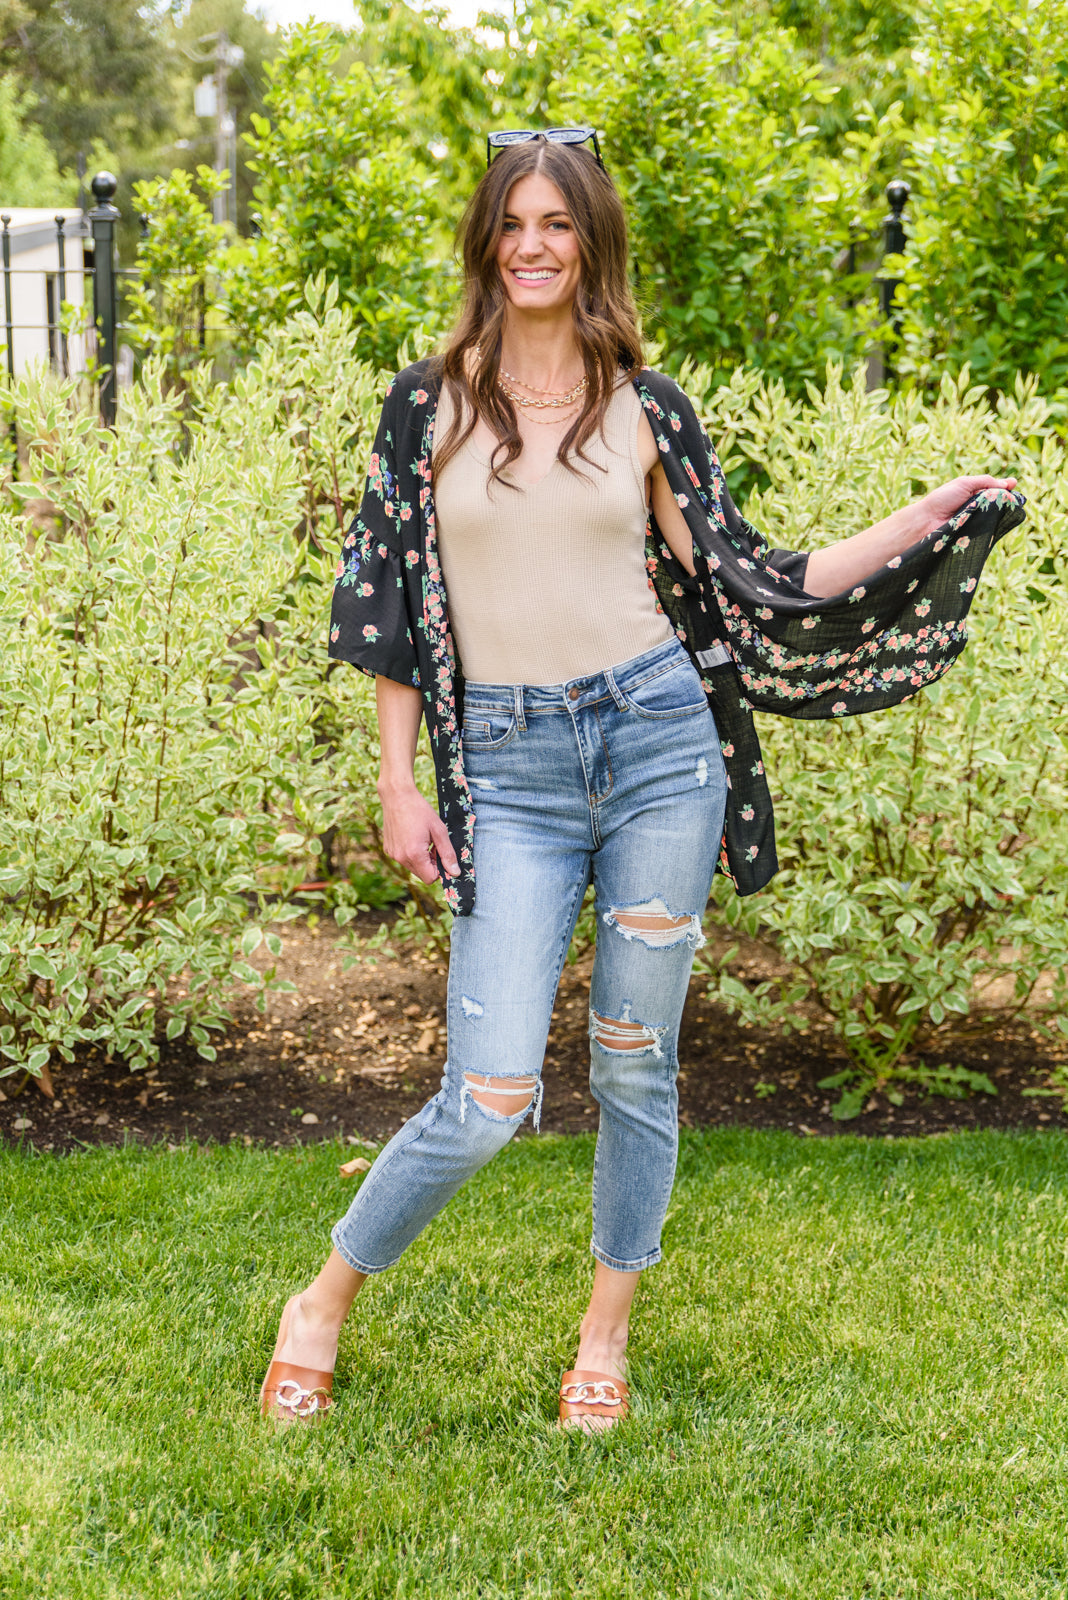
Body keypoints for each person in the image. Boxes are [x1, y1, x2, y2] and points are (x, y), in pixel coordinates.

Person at [259, 128, 1023, 1431]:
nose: (535, 245)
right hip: (508, 768)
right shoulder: (425, 406)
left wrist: (918, 519)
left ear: (591, 242)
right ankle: (320, 1302)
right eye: (515, 222)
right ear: (486, 240)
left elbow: (756, 579)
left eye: (559, 223)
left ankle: (603, 1338)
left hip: (661, 750)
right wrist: (398, 783)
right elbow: (387, 613)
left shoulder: (645, 405)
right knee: (488, 1094)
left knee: (632, 1066)